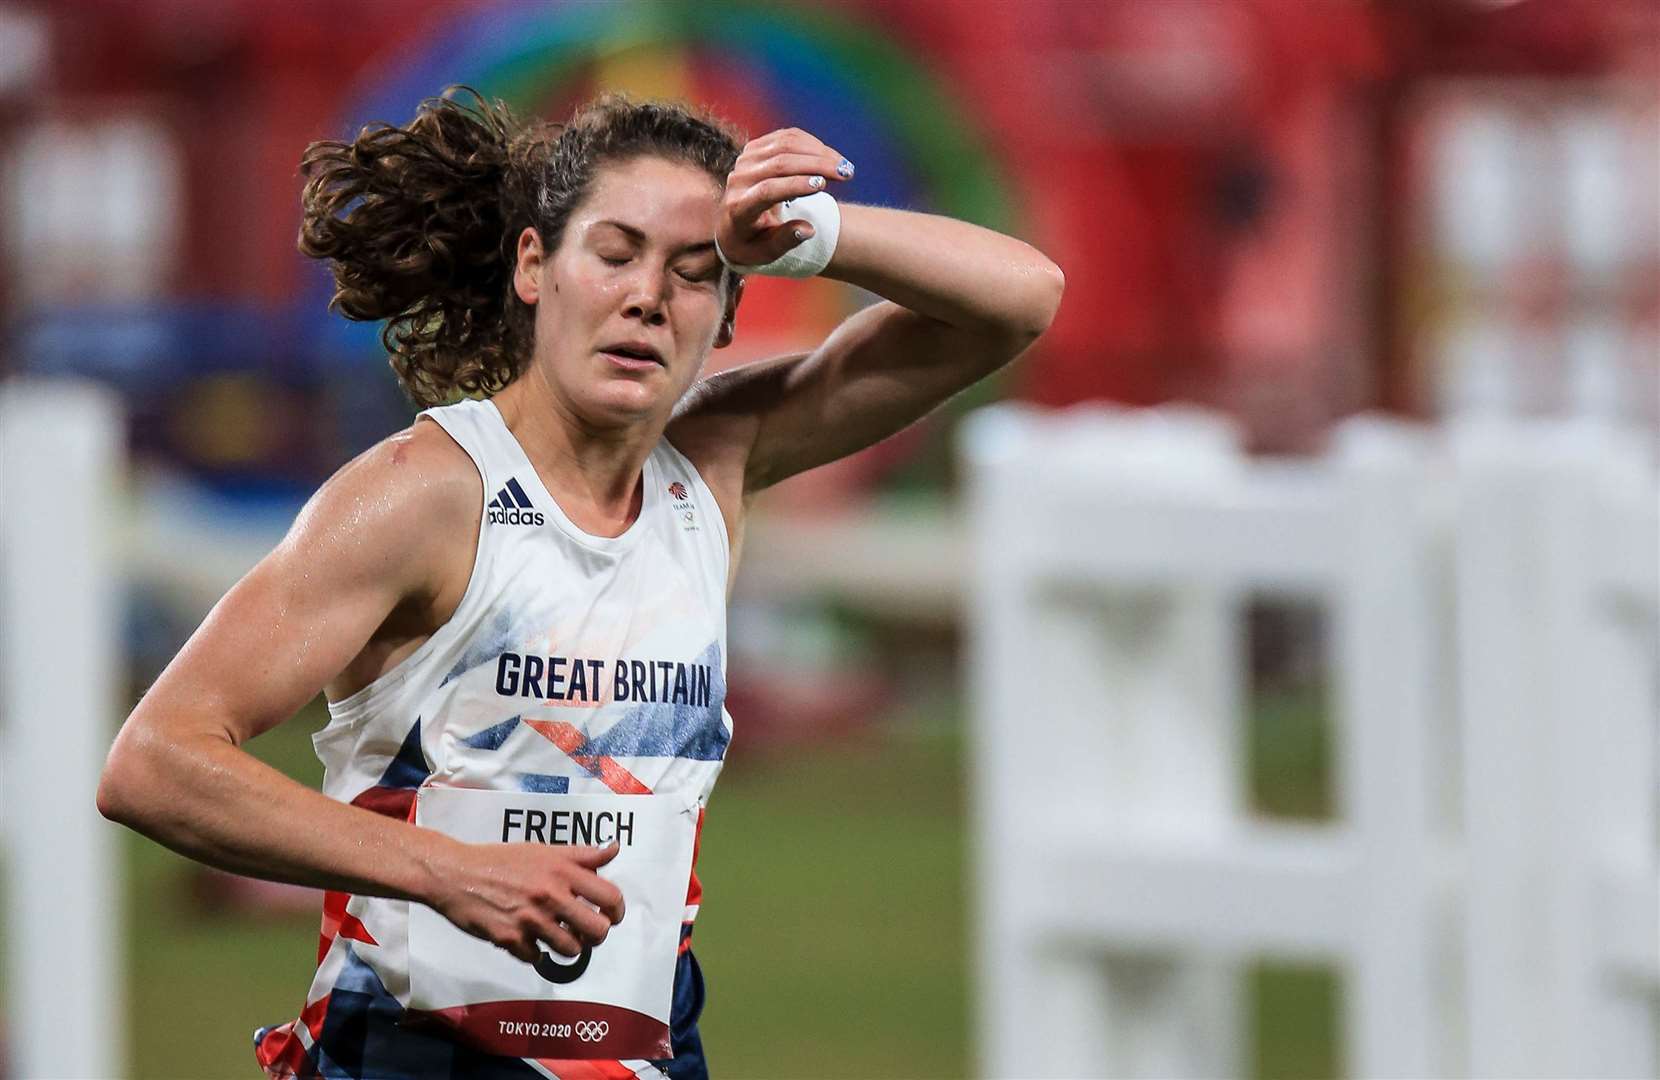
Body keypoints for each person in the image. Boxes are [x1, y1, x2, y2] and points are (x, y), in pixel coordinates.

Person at [96, 88, 1062, 1079]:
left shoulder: (715, 467)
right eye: (615, 253)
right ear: (533, 266)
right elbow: (156, 761)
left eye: (695, 273)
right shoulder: (423, 497)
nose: (648, 296)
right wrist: (447, 872)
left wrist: (807, 231)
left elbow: (1019, 298)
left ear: (728, 316)